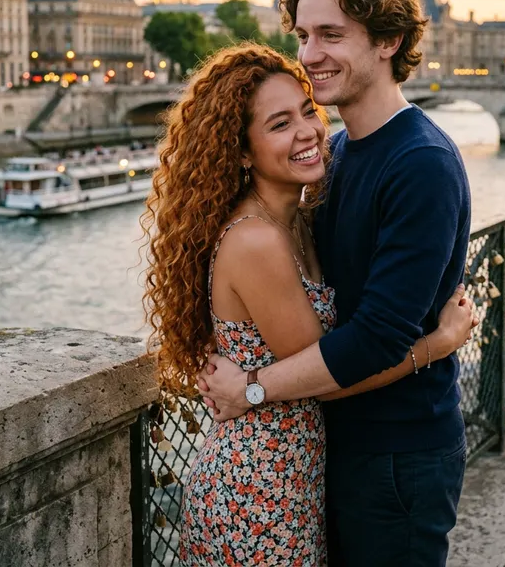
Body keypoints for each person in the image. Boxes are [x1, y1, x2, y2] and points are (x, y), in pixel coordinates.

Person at [142, 43, 476, 566]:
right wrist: (439, 343)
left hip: (293, 473)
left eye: (306, 110)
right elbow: (336, 368)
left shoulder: (299, 214)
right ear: (241, 151)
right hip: (260, 484)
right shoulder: (258, 241)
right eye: (279, 123)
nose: (308, 130)